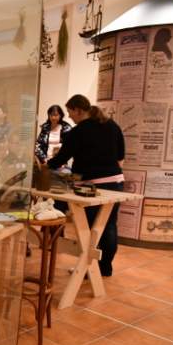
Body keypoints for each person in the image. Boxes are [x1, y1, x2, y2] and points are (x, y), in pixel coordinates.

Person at [47, 94, 125, 277]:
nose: (69, 116)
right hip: (115, 182)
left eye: (70, 112)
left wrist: (45, 166)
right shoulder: (112, 125)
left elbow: (61, 158)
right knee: (108, 225)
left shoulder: (78, 131)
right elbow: (121, 155)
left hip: (92, 186)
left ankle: (89, 268)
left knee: (90, 229)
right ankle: (105, 268)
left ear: (78, 110)